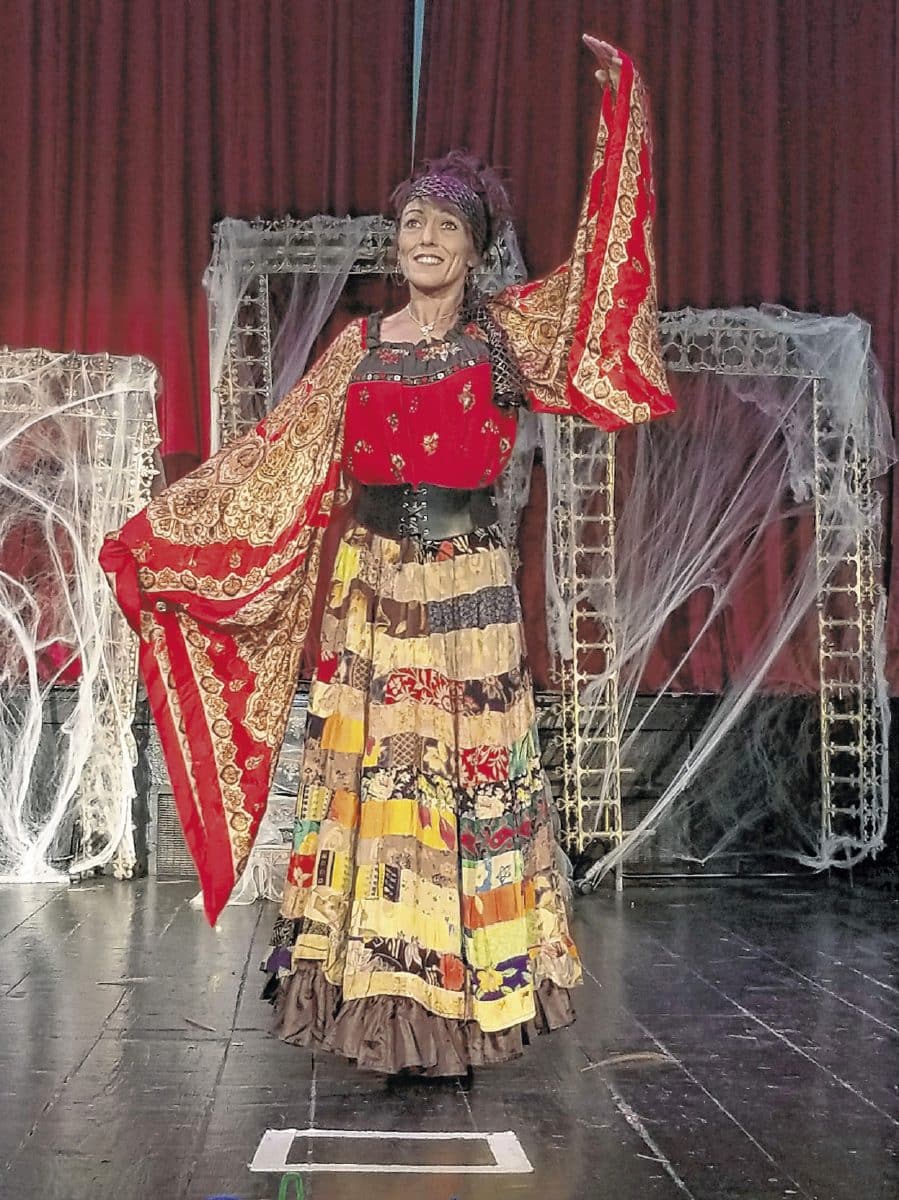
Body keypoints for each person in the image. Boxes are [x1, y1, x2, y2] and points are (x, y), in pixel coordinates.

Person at [101, 37, 675, 1077]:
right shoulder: (357, 349)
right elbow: (275, 462)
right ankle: (375, 1003)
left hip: (465, 591)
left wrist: (620, 117)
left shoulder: (505, 340)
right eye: (411, 224)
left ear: (474, 249)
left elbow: (602, 289)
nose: (423, 239)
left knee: (458, 785)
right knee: (378, 790)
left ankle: (464, 1003)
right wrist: (167, 543)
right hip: (370, 594)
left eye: (444, 227)